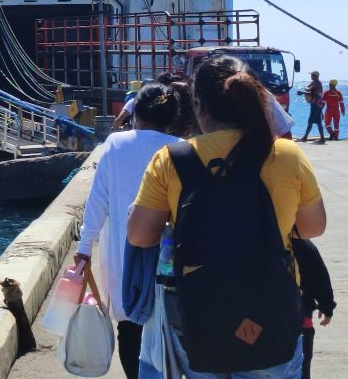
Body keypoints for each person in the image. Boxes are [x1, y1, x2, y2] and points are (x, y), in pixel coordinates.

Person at [127, 55, 327, 379]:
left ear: (199, 106)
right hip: (272, 307)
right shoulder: (287, 155)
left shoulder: (172, 159)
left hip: (200, 310)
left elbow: (139, 235)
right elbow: (313, 227)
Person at [74, 83, 182, 379]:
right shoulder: (181, 148)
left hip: (123, 254)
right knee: (167, 330)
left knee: (129, 328)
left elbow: (98, 200)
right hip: (170, 257)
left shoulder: (116, 145)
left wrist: (84, 247)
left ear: (137, 112)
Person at [290, 229, 335, 379]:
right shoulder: (305, 246)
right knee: (302, 369)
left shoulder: (258, 245)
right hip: (302, 323)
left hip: (261, 326)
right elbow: (321, 278)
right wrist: (326, 306)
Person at [299, 70, 326, 143]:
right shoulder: (313, 83)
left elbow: (315, 93)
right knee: (317, 122)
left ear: (316, 76)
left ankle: (306, 137)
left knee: (312, 121)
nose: (311, 76)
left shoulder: (318, 83)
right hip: (315, 104)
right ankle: (307, 137)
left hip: (316, 105)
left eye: (312, 75)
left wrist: (302, 92)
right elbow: (310, 90)